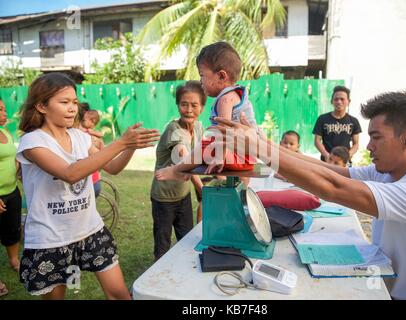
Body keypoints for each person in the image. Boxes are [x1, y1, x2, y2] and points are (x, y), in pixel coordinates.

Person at [213, 90, 406, 300]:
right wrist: (266, 144)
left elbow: (333, 187)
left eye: (376, 137)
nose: (368, 147)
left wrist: (259, 149)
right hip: (383, 287)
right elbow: (328, 170)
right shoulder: (390, 174)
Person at [15, 73, 159, 299]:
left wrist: (130, 146)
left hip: (90, 230)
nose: (72, 108)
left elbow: (112, 167)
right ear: (42, 106)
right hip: (50, 239)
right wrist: (120, 142)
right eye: (64, 102)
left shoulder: (81, 137)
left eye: (74, 102)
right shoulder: (32, 142)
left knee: (120, 294)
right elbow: (70, 173)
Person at [155, 41, 257, 182]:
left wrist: (219, 157)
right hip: (248, 158)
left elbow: (224, 132)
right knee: (208, 146)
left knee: (204, 146)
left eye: (202, 75)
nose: (200, 80)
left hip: (236, 155)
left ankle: (177, 170)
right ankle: (244, 189)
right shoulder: (238, 94)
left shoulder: (225, 100)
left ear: (221, 76)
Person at [151, 81, 205, 261]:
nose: (189, 109)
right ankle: (156, 282)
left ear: (202, 107)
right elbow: (184, 155)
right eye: (184, 104)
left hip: (183, 195)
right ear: (178, 105)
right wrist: (201, 188)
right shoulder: (174, 129)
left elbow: (199, 156)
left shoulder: (198, 127)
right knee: (163, 244)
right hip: (163, 198)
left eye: (194, 105)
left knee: (187, 239)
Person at [0, 99, 22, 298]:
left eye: (4, 109)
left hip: (12, 191)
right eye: (0, 110)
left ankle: (14, 260)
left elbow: (12, 158)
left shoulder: (5, 132)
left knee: (12, 228)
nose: (5, 112)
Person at [313, 85, 361, 163]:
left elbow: (356, 144)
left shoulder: (353, 121)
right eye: (336, 99)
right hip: (326, 161)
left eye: (342, 99)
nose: (339, 102)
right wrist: (327, 155)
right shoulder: (322, 119)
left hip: (344, 163)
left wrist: (347, 156)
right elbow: (317, 141)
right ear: (331, 101)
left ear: (349, 101)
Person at [78, 104, 104, 197]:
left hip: (90, 181)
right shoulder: (93, 136)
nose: (81, 121)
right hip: (94, 179)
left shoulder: (85, 134)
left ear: (93, 122)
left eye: (84, 120)